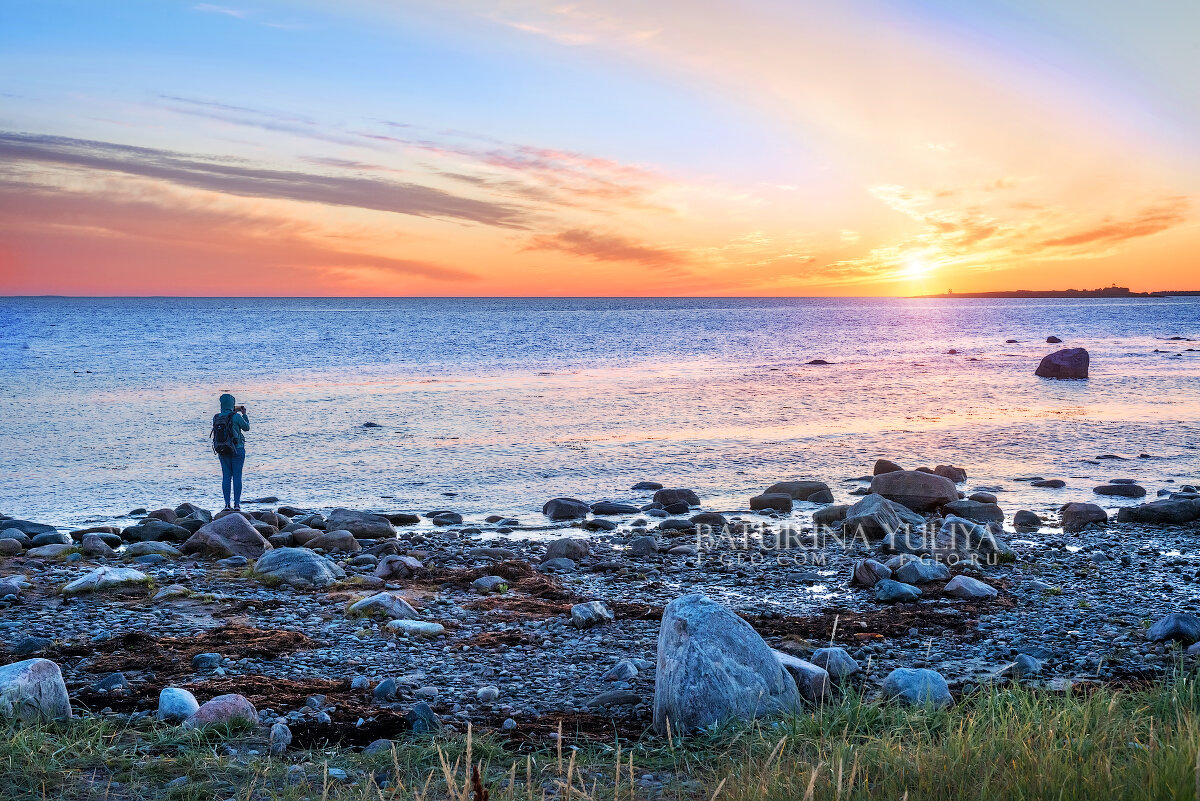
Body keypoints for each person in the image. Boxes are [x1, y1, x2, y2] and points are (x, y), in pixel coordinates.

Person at [211, 393, 250, 510]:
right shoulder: (236, 416)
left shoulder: (216, 417)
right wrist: (244, 414)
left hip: (222, 449)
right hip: (237, 449)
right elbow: (246, 427)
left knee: (226, 477)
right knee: (237, 476)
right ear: (232, 404)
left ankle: (227, 504)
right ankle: (237, 504)